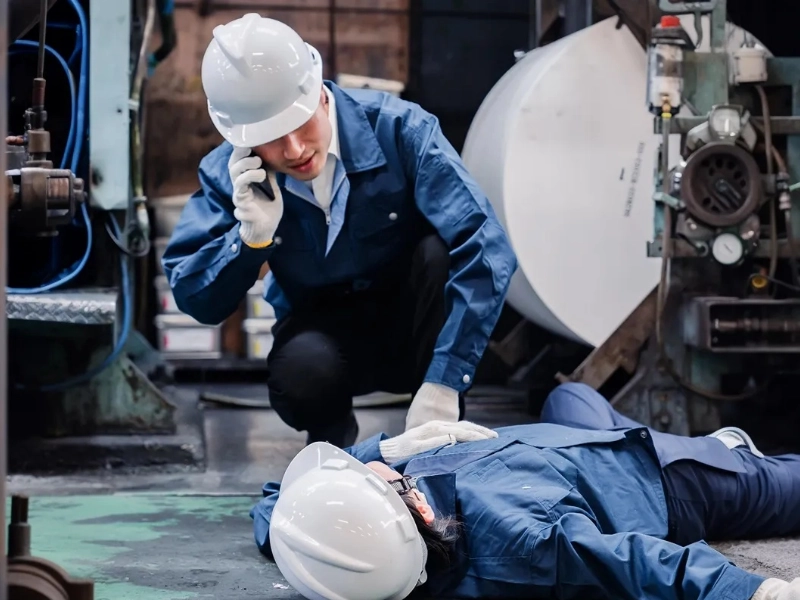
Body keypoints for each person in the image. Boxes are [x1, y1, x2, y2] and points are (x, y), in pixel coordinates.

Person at [161, 13, 517, 448]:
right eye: (271, 137)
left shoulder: (402, 131)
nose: (294, 150)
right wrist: (249, 241)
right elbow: (194, 296)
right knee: (302, 370)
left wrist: (446, 383)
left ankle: (437, 426)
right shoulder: (229, 174)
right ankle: (330, 443)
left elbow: (487, 247)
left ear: (320, 93)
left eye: (300, 123)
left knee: (438, 254)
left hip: (417, 333)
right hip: (325, 341)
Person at [251, 382, 800, 600]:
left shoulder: (343, 543)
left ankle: (711, 443)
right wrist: (753, 592)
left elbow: (280, 501)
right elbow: (637, 563)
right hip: (669, 479)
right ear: (400, 498)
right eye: (365, 472)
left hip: (574, 438)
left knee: (570, 393)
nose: (360, 466)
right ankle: (728, 451)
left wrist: (387, 449)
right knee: (787, 486)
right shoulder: (523, 546)